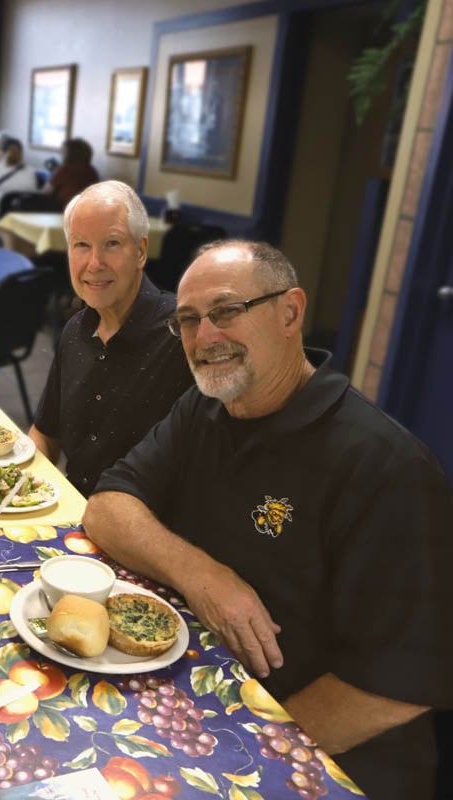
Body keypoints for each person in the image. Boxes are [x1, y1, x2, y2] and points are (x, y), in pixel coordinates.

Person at [83, 240, 453, 799]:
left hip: (328, 756)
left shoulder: (386, 466)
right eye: (187, 320)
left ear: (290, 312)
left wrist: (239, 750)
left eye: (227, 311)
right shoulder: (204, 409)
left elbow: (399, 685)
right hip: (204, 697)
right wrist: (204, 576)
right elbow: (107, 505)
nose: (205, 338)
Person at [28, 181, 193, 496]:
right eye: (81, 245)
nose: (94, 263)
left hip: (146, 532)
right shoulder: (75, 330)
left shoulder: (184, 335)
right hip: (74, 519)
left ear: (141, 251)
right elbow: (46, 433)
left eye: (112, 243)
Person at [44, 138, 100, 209]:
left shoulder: (65, 169)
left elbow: (47, 191)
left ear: (70, 153)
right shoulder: (92, 171)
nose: (61, 153)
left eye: (63, 151)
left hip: (64, 208)